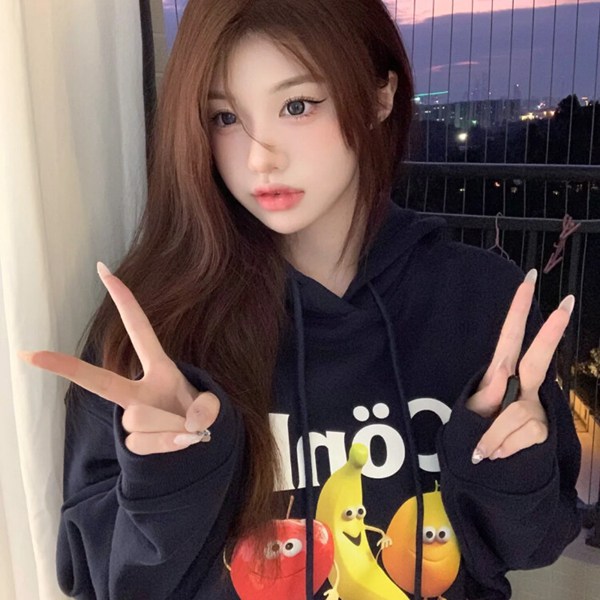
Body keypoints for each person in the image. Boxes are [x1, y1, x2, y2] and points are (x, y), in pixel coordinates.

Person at [21, 0, 581, 598]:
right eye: (225, 117)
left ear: (380, 96)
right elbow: (101, 581)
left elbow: (532, 545)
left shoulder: (478, 300)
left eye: (296, 106)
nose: (260, 157)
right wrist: (167, 485)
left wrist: (509, 469)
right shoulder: (158, 329)